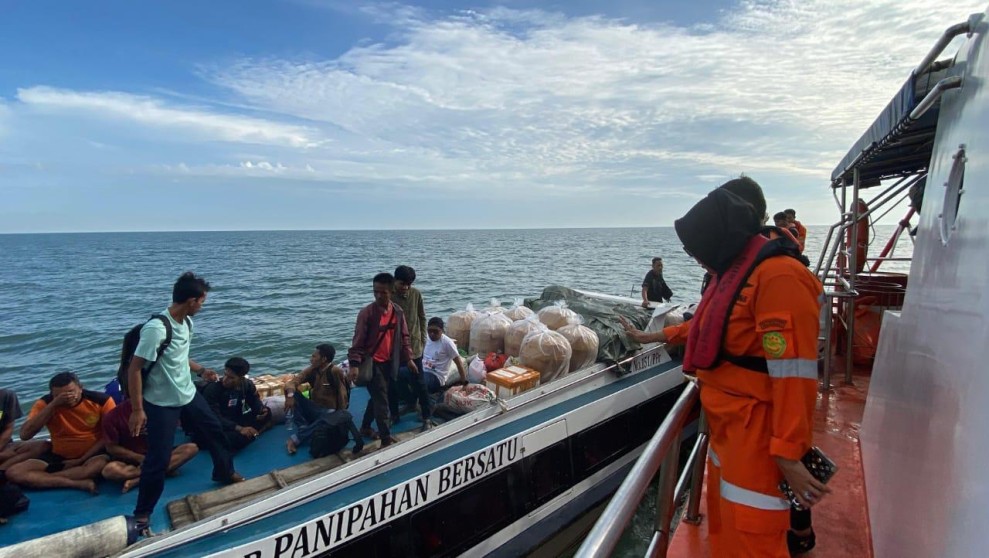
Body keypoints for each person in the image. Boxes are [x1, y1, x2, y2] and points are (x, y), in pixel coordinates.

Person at [675, 178, 824, 557]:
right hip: (727, 432)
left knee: (754, 537)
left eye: (698, 250)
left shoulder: (779, 277)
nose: (696, 259)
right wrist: (657, 337)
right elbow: (711, 329)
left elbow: (794, 373)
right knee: (726, 532)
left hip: (757, 437)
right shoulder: (736, 271)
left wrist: (789, 452)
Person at [124, 271, 241, 534]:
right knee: (158, 458)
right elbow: (134, 369)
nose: (203, 306)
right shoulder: (156, 329)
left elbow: (178, 357)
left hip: (187, 393)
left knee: (216, 430)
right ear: (191, 301)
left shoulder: (186, 324)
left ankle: (224, 471)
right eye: (202, 301)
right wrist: (138, 409)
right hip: (161, 403)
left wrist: (200, 371)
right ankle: (142, 515)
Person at [4, 372, 114, 493]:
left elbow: (109, 436)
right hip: (59, 454)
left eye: (71, 392)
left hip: (92, 453)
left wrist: (81, 459)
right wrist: (54, 404)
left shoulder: (101, 400)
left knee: (94, 468)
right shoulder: (46, 403)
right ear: (52, 394)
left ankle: (43, 479)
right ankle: (75, 483)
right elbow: (25, 435)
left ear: (81, 388)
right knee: (14, 473)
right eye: (59, 395)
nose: (67, 397)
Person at [348, 273, 418, 447]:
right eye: (375, 292)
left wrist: (409, 358)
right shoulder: (366, 314)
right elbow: (357, 341)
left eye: (383, 292)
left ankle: (365, 426)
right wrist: (354, 365)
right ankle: (386, 440)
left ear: (391, 291)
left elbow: (405, 337)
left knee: (379, 397)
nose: (379, 296)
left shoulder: (398, 312)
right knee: (382, 402)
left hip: (390, 362)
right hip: (373, 363)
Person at [100, 399, 199, 493]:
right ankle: (161, 471)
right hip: (130, 461)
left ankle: (140, 479)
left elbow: (168, 435)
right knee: (109, 470)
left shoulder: (160, 409)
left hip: (156, 456)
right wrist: (138, 457)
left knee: (191, 449)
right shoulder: (112, 416)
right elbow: (111, 448)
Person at [283, 345, 360, 455]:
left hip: (329, 412)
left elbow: (343, 395)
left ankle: (296, 438)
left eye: (314, 356)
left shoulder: (335, 371)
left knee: (331, 416)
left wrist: (339, 416)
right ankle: (304, 427)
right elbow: (292, 382)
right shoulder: (312, 370)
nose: (311, 359)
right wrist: (290, 396)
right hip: (315, 408)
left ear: (323, 359)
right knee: (292, 392)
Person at [203, 357, 272, 452]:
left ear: (241, 378)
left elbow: (254, 401)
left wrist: (261, 409)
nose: (225, 380)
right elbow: (213, 417)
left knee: (268, 413)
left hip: (235, 419)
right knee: (233, 439)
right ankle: (252, 434)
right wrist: (239, 428)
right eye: (225, 375)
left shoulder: (246, 385)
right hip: (217, 424)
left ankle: (250, 434)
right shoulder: (212, 390)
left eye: (231, 378)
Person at [391, 265, 430, 427]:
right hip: (394, 349)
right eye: (402, 284)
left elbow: (422, 317)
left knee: (419, 382)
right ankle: (395, 414)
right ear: (394, 281)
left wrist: (422, 339)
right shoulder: (388, 296)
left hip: (414, 348)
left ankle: (426, 416)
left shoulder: (416, 294)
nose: (406, 288)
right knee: (392, 383)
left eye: (409, 284)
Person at [0, 388, 48, 471]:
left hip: (3, 446)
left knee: (44, 445)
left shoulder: (6, 396)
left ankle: (2, 470)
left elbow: (8, 428)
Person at [421, 318, 468, 393]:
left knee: (421, 380)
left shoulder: (447, 343)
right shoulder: (426, 338)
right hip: (423, 370)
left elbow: (459, 364)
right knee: (402, 372)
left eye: (435, 331)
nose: (432, 334)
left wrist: (464, 383)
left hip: (436, 376)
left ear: (442, 331)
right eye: (430, 331)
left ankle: (424, 402)